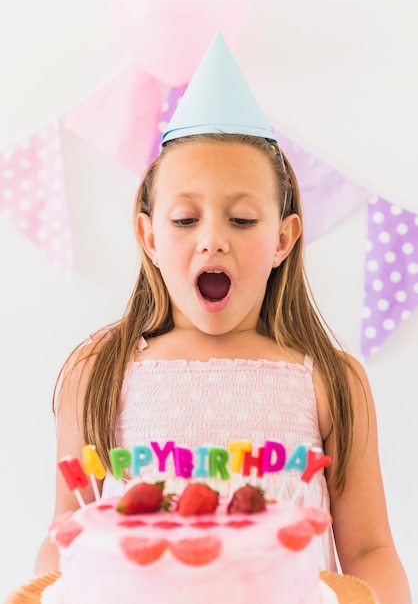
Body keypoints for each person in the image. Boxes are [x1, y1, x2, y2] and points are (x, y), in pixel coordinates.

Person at [35, 35, 411, 603]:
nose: (213, 241)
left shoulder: (331, 381)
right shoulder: (99, 371)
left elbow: (370, 553)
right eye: (186, 219)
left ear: (283, 237)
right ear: (149, 236)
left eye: (241, 219)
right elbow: (66, 535)